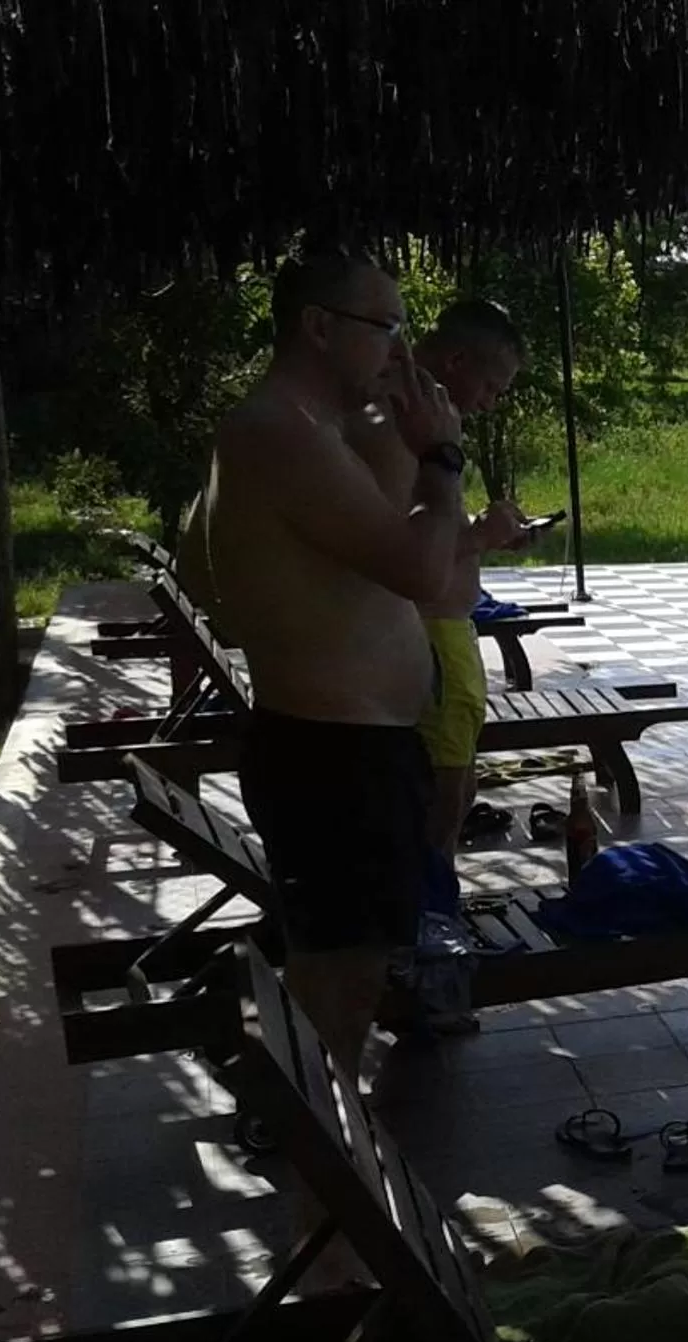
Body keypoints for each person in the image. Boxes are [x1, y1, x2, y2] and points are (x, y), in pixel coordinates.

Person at [199, 249, 468, 1071]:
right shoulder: (280, 431)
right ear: (319, 326)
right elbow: (423, 571)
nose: (401, 349)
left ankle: (326, 1167)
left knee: (347, 986)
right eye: (386, 326)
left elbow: (403, 552)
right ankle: (322, 1191)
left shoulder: (306, 432)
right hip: (333, 757)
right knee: (337, 1000)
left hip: (351, 748)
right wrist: (442, 459)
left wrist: (395, 441)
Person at [340, 298, 537, 926]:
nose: (490, 402)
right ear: (455, 359)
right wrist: (480, 536)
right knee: (441, 799)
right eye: (490, 385)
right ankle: (427, 924)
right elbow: (400, 553)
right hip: (427, 637)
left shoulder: (415, 417)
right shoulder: (393, 421)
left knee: (454, 789)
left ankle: (429, 910)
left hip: (441, 632)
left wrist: (481, 533)